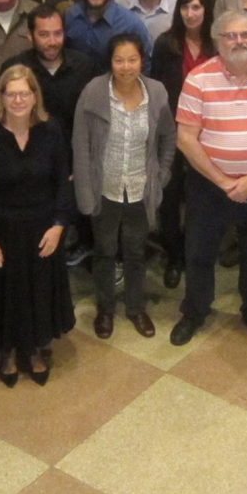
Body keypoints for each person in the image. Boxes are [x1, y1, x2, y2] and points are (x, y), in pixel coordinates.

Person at [172, 11, 247, 347]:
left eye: (245, 35)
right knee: (199, 252)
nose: (239, 41)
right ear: (217, 40)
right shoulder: (197, 79)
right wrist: (224, 181)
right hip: (208, 184)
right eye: (230, 36)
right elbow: (186, 139)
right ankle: (195, 311)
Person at [0, 65, 75, 386]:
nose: (18, 100)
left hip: (43, 230)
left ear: (34, 96)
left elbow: (62, 183)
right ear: (1, 96)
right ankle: (9, 351)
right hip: (1, 231)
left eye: (24, 93)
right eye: (11, 93)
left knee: (37, 292)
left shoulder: (51, 130)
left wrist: (58, 226)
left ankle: (33, 349)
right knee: (6, 294)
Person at [73, 34, 176, 339]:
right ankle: (105, 310)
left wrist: (163, 173)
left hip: (140, 189)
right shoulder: (93, 92)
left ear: (142, 60)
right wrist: (85, 193)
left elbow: (168, 137)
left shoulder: (155, 92)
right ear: (110, 62)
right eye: (119, 60)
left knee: (135, 252)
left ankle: (136, 308)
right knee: (104, 251)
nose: (126, 66)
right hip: (104, 188)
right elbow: (80, 145)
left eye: (132, 59)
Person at [150, 0, 214, 290]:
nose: (191, 13)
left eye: (197, 6)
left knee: (201, 194)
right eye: (186, 6)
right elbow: (156, 90)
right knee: (170, 195)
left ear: (207, 9)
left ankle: (196, 251)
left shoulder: (217, 44)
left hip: (210, 130)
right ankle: (174, 255)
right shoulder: (166, 44)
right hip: (173, 129)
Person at [1, 3, 100, 143]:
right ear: (30, 35)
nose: (52, 42)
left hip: (74, 154)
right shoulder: (14, 68)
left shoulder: (84, 66)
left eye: (58, 33)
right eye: (44, 35)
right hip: (29, 154)